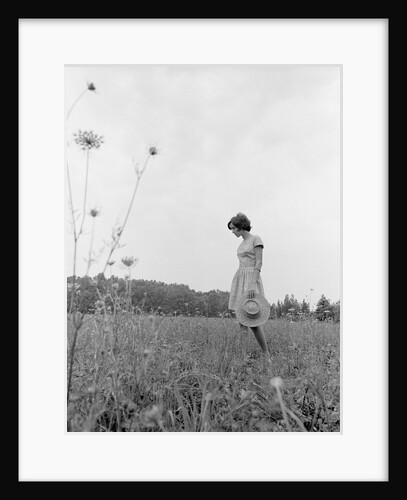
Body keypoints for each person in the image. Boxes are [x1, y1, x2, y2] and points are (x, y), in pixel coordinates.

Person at [227, 212, 272, 365]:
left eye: (233, 228)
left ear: (241, 226)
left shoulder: (256, 239)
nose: (232, 232)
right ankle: (243, 357)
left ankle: (266, 354)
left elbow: (258, 263)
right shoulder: (241, 244)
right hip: (240, 277)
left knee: (254, 318)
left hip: (251, 278)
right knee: (242, 319)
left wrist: (252, 283)